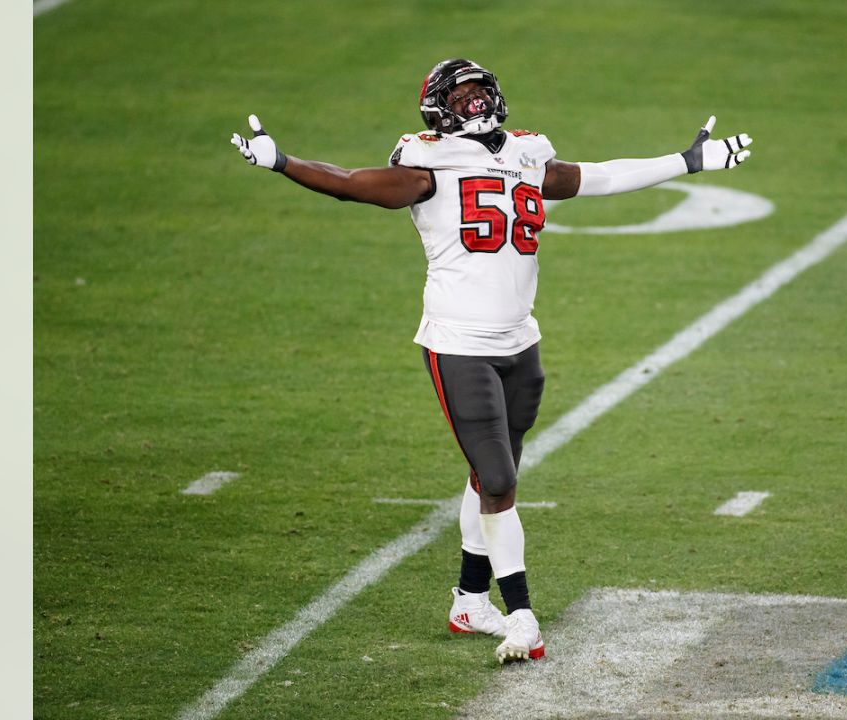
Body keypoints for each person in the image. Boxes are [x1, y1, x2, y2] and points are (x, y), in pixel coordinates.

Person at [230, 58, 753, 664]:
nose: (475, 102)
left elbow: (599, 177)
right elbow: (350, 181)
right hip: (460, 343)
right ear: (437, 109)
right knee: (500, 481)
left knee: (493, 475)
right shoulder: (426, 161)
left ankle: (470, 601)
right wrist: (282, 162)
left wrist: (685, 161)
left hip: (520, 341)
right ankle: (523, 614)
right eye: (462, 94)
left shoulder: (528, 152)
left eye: (482, 90)